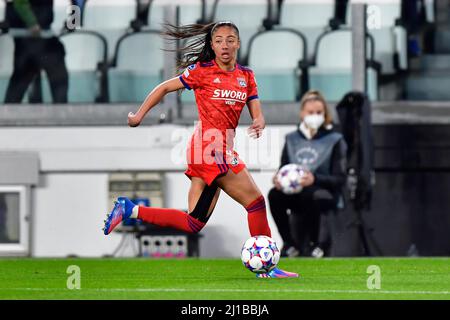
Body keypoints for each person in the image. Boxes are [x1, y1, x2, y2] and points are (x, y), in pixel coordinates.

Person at [103, 21, 298, 278]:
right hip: (208, 147)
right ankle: (268, 268)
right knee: (256, 203)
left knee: (194, 222)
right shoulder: (201, 72)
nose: (224, 45)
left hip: (218, 148)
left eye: (230, 39)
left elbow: (254, 106)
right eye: (218, 40)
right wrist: (139, 116)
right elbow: (163, 87)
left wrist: (259, 120)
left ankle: (130, 210)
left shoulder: (246, 76)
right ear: (212, 45)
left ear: (238, 43)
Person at [268, 90, 347, 258]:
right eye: (311, 112)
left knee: (311, 194)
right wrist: (278, 179)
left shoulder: (335, 139)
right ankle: (289, 244)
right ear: (302, 114)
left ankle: (315, 244)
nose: (315, 116)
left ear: (325, 114)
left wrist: (315, 179)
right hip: (296, 193)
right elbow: (284, 167)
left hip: (321, 191)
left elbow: (340, 178)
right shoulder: (291, 139)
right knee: (274, 195)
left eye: (319, 112)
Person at [4, 0, 68, 103]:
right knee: (58, 80)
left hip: (33, 38)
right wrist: (31, 23)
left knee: (17, 88)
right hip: (33, 38)